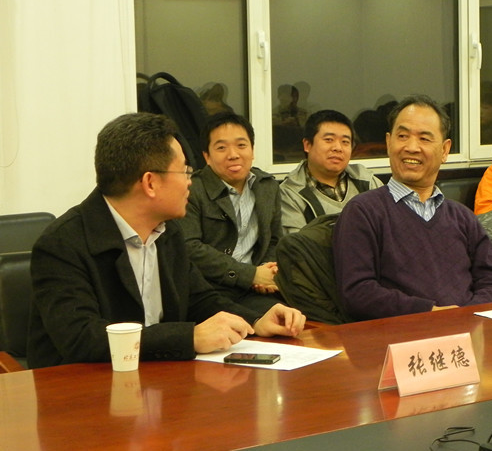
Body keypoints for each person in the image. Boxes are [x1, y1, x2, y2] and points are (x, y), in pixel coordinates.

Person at [27, 113, 305, 369]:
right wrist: (189, 337)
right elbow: (81, 338)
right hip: (83, 389)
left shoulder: (166, 231)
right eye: (184, 172)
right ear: (150, 183)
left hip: (160, 377)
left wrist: (255, 320)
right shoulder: (62, 244)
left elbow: (199, 298)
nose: (190, 182)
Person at [333, 95, 492, 321]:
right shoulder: (363, 211)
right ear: (388, 142)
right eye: (402, 136)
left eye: (424, 138)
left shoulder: (462, 217)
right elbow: (357, 293)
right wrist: (430, 313)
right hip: (401, 337)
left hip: (468, 332)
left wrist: (463, 316)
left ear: (445, 150)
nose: (411, 147)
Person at [177, 112, 284, 313]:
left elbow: (275, 239)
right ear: (207, 157)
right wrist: (249, 275)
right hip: (209, 291)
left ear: (252, 150)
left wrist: (266, 273)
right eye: (221, 148)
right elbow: (189, 248)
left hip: (256, 289)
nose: (233, 154)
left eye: (241, 145)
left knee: (295, 318)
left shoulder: (267, 186)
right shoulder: (192, 190)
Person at [280, 109, 383, 234]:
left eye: (345, 142)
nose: (338, 148)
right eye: (329, 140)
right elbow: (297, 244)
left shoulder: (367, 182)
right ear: (307, 145)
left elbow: (390, 228)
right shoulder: (289, 193)